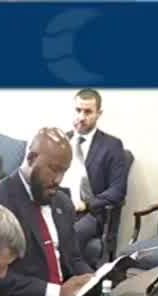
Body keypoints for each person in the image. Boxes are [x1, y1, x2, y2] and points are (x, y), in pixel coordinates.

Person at [0, 128, 95, 296]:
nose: (58, 179)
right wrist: (57, 292)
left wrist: (95, 282)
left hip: (65, 295)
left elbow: (74, 258)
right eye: (53, 169)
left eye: (64, 171)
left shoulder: (61, 202)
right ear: (30, 158)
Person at [64, 88, 131, 266]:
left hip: (90, 214)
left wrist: (86, 204)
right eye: (78, 110)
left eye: (87, 112)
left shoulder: (111, 145)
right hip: (59, 208)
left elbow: (118, 190)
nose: (81, 117)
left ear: (98, 114)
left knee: (70, 234)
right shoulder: (62, 140)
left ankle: (68, 279)